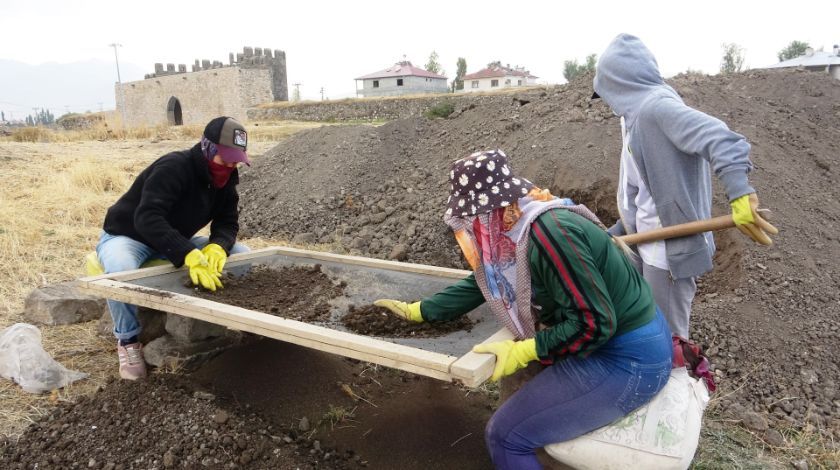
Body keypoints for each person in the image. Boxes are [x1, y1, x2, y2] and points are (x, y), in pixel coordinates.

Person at [375, 150, 673, 470]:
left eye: (473, 215)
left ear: (491, 206)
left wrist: (529, 350)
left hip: (628, 359)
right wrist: (422, 311)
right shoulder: (521, 221)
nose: (472, 224)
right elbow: (488, 281)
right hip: (623, 343)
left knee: (505, 436)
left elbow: (595, 324)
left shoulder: (551, 233)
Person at [592, 33, 778, 339]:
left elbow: (722, 138)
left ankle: (681, 383)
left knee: (670, 341)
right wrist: (620, 230)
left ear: (619, 84)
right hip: (644, 242)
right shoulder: (633, 117)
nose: (608, 103)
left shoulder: (657, 109)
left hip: (667, 254)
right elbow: (641, 190)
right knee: (645, 331)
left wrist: (740, 193)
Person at [97, 116, 251, 380]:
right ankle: (128, 341)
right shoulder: (174, 167)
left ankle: (214, 319)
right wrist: (187, 253)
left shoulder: (227, 180)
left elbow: (227, 223)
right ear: (208, 148)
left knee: (242, 256)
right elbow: (146, 217)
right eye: (225, 159)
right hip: (129, 235)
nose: (230, 165)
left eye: (235, 160)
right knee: (120, 270)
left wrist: (217, 246)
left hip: (173, 238)